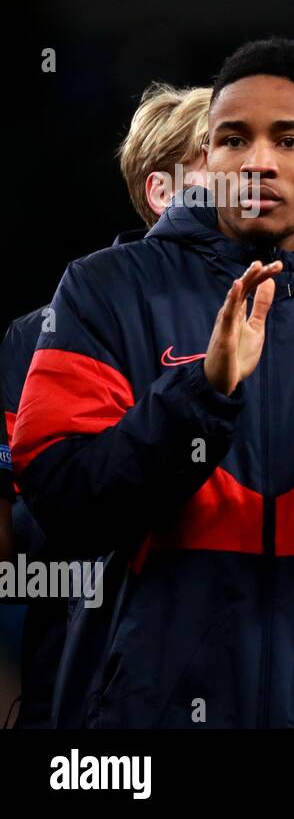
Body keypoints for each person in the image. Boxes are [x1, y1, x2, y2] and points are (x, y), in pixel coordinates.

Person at [12, 38, 294, 727]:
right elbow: (61, 504)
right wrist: (199, 395)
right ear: (207, 155)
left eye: (290, 140)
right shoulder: (104, 290)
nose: (257, 161)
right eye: (234, 139)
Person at [1, 82, 211, 729]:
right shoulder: (43, 331)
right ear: (161, 192)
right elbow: (16, 526)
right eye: (223, 151)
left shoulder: (292, 317)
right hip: (80, 676)